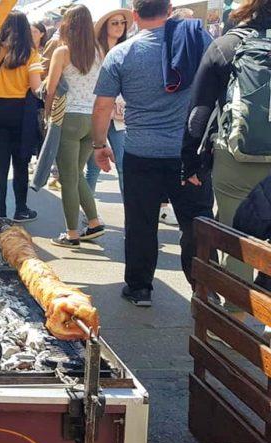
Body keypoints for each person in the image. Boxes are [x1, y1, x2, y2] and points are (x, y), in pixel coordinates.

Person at [92, 0, 213, 306]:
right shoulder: (199, 41)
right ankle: (203, 288)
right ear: (169, 9)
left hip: (140, 152)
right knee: (197, 224)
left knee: (141, 221)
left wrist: (98, 145)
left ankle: (139, 287)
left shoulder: (122, 53)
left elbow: (103, 105)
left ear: (134, 15)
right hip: (189, 154)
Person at [182, 0, 271, 283]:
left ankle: (233, 319)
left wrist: (191, 164)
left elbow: (198, 116)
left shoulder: (226, 45)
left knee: (238, 246)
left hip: (237, 162)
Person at [45, 5, 106, 247]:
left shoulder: (63, 52)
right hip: (92, 118)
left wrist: (48, 113)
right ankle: (93, 222)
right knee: (76, 174)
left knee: (68, 179)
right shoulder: (99, 50)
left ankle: (71, 234)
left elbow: (51, 89)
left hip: (68, 118)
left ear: (67, 24)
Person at [0, 11, 44, 223]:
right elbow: (36, 88)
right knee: (21, 164)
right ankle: (21, 209)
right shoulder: (30, 53)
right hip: (22, 112)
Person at [84, 8, 133, 194]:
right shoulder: (94, 51)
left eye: (122, 23)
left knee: (122, 163)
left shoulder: (128, 48)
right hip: (98, 110)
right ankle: (89, 213)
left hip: (119, 113)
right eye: (114, 23)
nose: (119, 26)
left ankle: (131, 210)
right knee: (94, 166)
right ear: (105, 27)